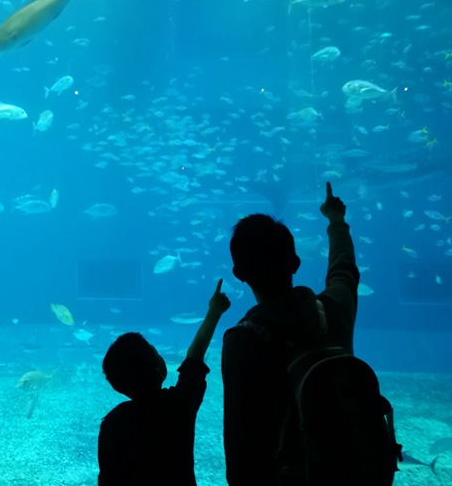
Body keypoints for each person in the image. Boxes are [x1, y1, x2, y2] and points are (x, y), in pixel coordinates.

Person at [221, 182, 360, 485]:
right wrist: (336, 220)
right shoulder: (333, 310)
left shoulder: (242, 339)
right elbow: (344, 271)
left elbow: (241, 441)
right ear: (295, 263)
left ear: (239, 273)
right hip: (350, 468)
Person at [98, 279, 231, 485]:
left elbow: (106, 477)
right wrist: (214, 312)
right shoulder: (179, 406)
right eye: (155, 352)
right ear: (159, 369)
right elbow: (194, 358)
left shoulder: (112, 422)